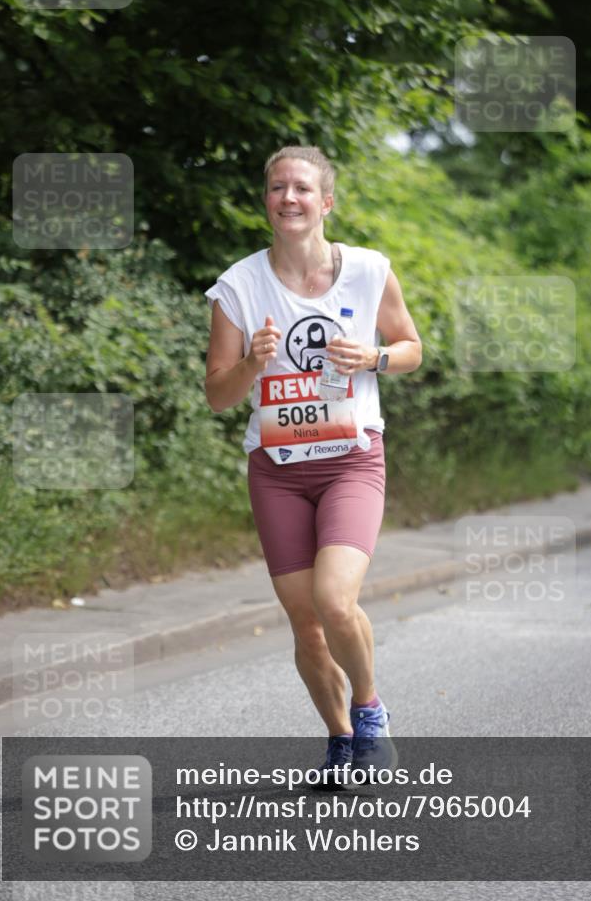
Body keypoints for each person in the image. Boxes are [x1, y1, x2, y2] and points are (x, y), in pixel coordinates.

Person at [204, 146, 422, 783]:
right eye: (277, 188)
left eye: (302, 188)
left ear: (326, 202)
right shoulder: (239, 286)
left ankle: (370, 709)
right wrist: (252, 361)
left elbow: (412, 347)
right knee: (306, 623)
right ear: (267, 201)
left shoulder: (368, 270)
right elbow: (218, 394)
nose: (289, 198)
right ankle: (340, 741)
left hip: (351, 460)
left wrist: (374, 358)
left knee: (333, 599)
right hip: (277, 470)